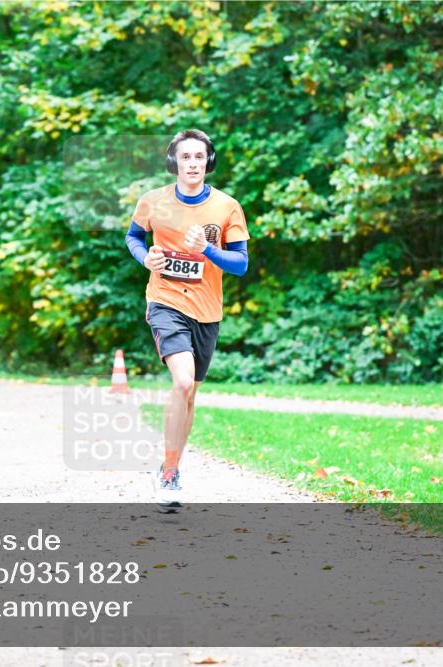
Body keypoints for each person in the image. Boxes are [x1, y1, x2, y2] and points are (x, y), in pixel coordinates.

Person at [124, 129, 250, 511]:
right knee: (181, 381)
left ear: (207, 162)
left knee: (190, 391)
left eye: (199, 157)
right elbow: (133, 237)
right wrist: (145, 258)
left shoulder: (227, 207)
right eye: (185, 157)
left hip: (207, 311)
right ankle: (169, 475)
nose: (192, 164)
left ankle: (170, 464)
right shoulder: (153, 202)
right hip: (164, 301)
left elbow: (241, 264)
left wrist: (208, 249)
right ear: (174, 162)